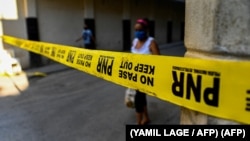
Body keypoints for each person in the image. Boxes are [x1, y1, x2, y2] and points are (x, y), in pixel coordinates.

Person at [131, 18, 160, 125]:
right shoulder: (134, 41)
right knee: (141, 97)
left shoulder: (151, 42)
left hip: (146, 77)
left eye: (140, 30)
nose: (137, 32)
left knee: (138, 99)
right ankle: (146, 117)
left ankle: (138, 123)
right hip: (135, 75)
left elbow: (159, 62)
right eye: (135, 30)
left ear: (146, 29)